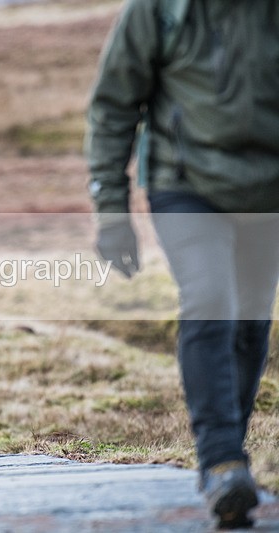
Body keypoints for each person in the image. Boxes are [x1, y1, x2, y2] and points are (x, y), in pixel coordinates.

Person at [85, 1, 279, 528]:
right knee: (211, 297)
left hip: (266, 189)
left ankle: (228, 462)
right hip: (183, 183)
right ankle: (220, 460)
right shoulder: (159, 10)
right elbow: (113, 104)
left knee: (251, 317)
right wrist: (112, 212)